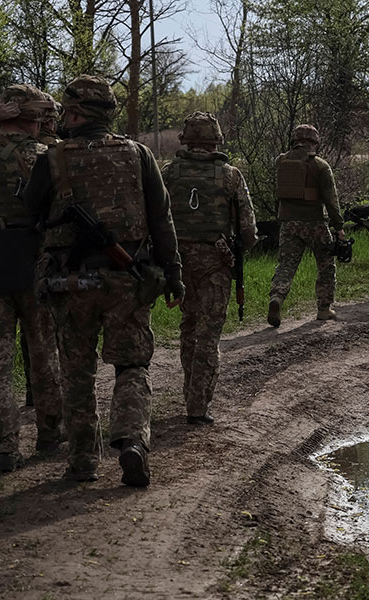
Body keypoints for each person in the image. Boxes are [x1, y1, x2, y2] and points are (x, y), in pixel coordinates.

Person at [24, 74, 184, 486]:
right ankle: (131, 440)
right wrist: (174, 273)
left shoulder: (52, 159)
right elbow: (161, 218)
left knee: (77, 373)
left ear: (75, 112)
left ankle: (82, 462)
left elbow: (29, 214)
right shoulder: (139, 154)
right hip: (126, 281)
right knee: (131, 365)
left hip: (69, 284)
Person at [0, 84, 63, 472]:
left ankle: (6, 448)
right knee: (45, 357)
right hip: (35, 270)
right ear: (31, 119)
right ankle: (50, 435)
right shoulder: (47, 158)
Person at [163, 112, 257, 424]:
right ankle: (197, 405)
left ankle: (191, 389)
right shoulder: (230, 175)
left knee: (188, 327)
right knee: (208, 332)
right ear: (216, 139)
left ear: (186, 139)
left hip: (177, 262)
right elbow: (248, 230)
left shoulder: (169, 173)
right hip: (215, 262)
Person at [268, 124, 345, 324]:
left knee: (286, 265)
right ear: (314, 142)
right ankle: (324, 308)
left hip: (288, 223)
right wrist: (339, 226)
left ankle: (277, 297)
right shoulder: (320, 165)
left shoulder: (281, 161)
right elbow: (331, 199)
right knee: (326, 266)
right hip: (315, 223)